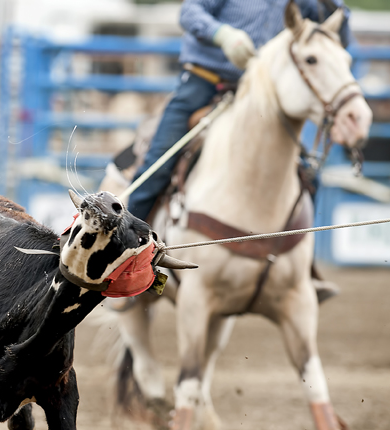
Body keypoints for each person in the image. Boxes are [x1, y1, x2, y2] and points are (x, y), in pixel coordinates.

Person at [124, 0, 350, 303]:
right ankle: (128, 263)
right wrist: (222, 34)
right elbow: (190, 11)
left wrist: (338, 8)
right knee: (157, 167)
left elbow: (332, 31)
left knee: (306, 175)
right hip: (204, 82)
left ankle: (303, 270)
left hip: (261, 96)